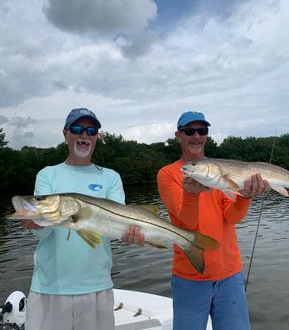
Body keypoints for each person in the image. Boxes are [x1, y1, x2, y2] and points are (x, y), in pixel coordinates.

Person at [21, 107, 144, 330]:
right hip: (50, 287)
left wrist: (131, 234)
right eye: (77, 129)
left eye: (91, 130)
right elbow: (45, 230)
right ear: (65, 133)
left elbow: (119, 227)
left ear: (97, 137)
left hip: (97, 285)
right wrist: (36, 223)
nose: (84, 135)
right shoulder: (48, 174)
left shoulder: (110, 177)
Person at [157, 111, 271, 330]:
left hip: (230, 275)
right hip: (190, 276)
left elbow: (232, 217)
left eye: (202, 131)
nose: (197, 136)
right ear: (178, 135)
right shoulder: (168, 174)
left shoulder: (220, 172)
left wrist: (245, 196)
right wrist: (191, 194)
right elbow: (187, 224)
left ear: (207, 135)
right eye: (190, 131)